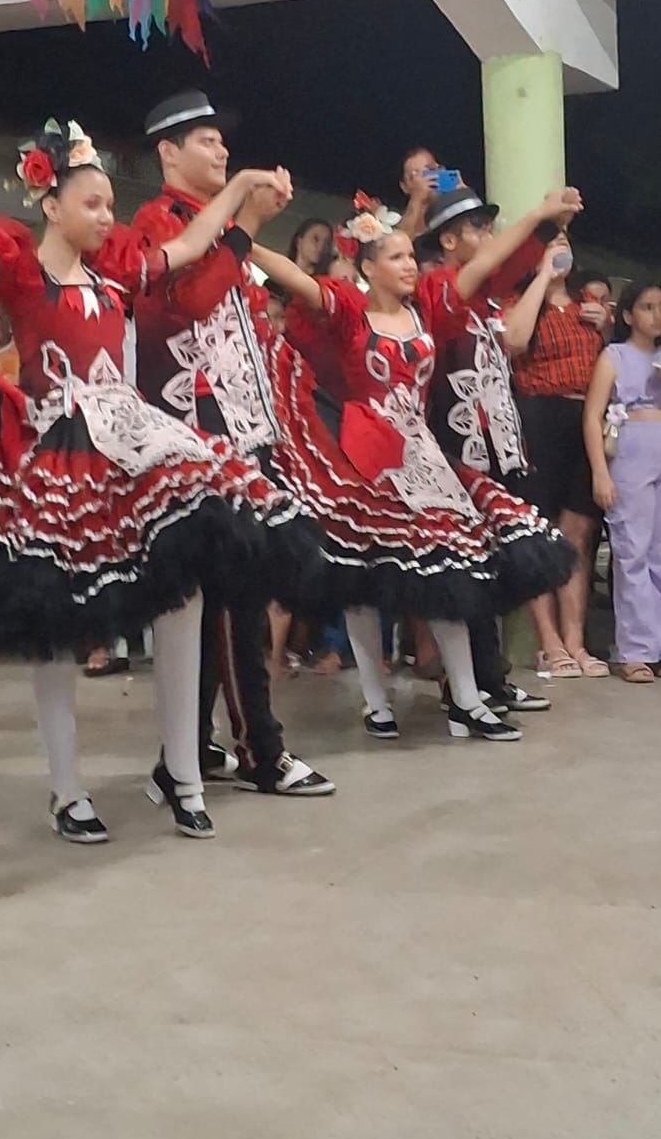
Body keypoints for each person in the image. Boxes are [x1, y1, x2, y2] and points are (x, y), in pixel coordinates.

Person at [0, 116, 311, 841]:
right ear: (51, 205)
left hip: (131, 439)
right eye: (92, 203)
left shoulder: (119, 271)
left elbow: (192, 245)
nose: (105, 216)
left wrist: (242, 191)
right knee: (54, 620)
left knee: (185, 581)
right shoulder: (21, 270)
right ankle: (67, 790)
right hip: (61, 450)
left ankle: (185, 774)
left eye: (109, 205)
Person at [257, 195, 576, 742]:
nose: (410, 264)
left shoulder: (427, 306)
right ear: (368, 266)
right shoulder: (349, 312)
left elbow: (484, 264)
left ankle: (467, 700)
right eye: (398, 256)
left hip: (422, 458)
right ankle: (376, 701)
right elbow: (296, 279)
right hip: (366, 457)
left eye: (411, 255)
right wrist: (241, 237)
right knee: (362, 579)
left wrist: (537, 219)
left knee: (448, 566)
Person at [131, 91, 334, 798]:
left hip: (245, 427)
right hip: (197, 429)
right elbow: (186, 305)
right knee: (232, 598)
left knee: (227, 597)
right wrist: (244, 228)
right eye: (206, 140)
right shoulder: (157, 223)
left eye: (222, 141)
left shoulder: (218, 230)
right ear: (168, 152)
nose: (221, 150)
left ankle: (188, 750)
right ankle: (257, 750)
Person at [415, 183, 583, 709]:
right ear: (448, 241)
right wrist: (537, 214)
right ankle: (465, 686)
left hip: (497, 446)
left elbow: (515, 286)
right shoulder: (439, 288)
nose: (488, 236)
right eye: (477, 227)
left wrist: (552, 224)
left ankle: (490, 679)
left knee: (493, 563)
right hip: (457, 448)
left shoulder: (484, 298)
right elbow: (495, 265)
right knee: (467, 566)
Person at [510, 233, 612, 678]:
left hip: (584, 417)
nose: (559, 250)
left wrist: (605, 326)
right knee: (538, 531)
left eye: (565, 243)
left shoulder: (587, 303)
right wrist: (543, 278)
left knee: (578, 533)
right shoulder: (520, 300)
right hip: (538, 414)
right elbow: (514, 342)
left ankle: (575, 641)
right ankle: (548, 644)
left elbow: (609, 360)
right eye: (550, 244)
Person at [584, 283, 661, 683]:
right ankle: (634, 650)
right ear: (629, 315)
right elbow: (592, 416)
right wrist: (600, 471)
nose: (657, 315)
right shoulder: (614, 355)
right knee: (632, 547)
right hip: (630, 444)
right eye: (647, 307)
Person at [397, 145, 442, 241]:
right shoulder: (397, 219)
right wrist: (417, 198)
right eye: (414, 176)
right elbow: (399, 243)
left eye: (431, 170)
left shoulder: (453, 208)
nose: (425, 178)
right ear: (404, 187)